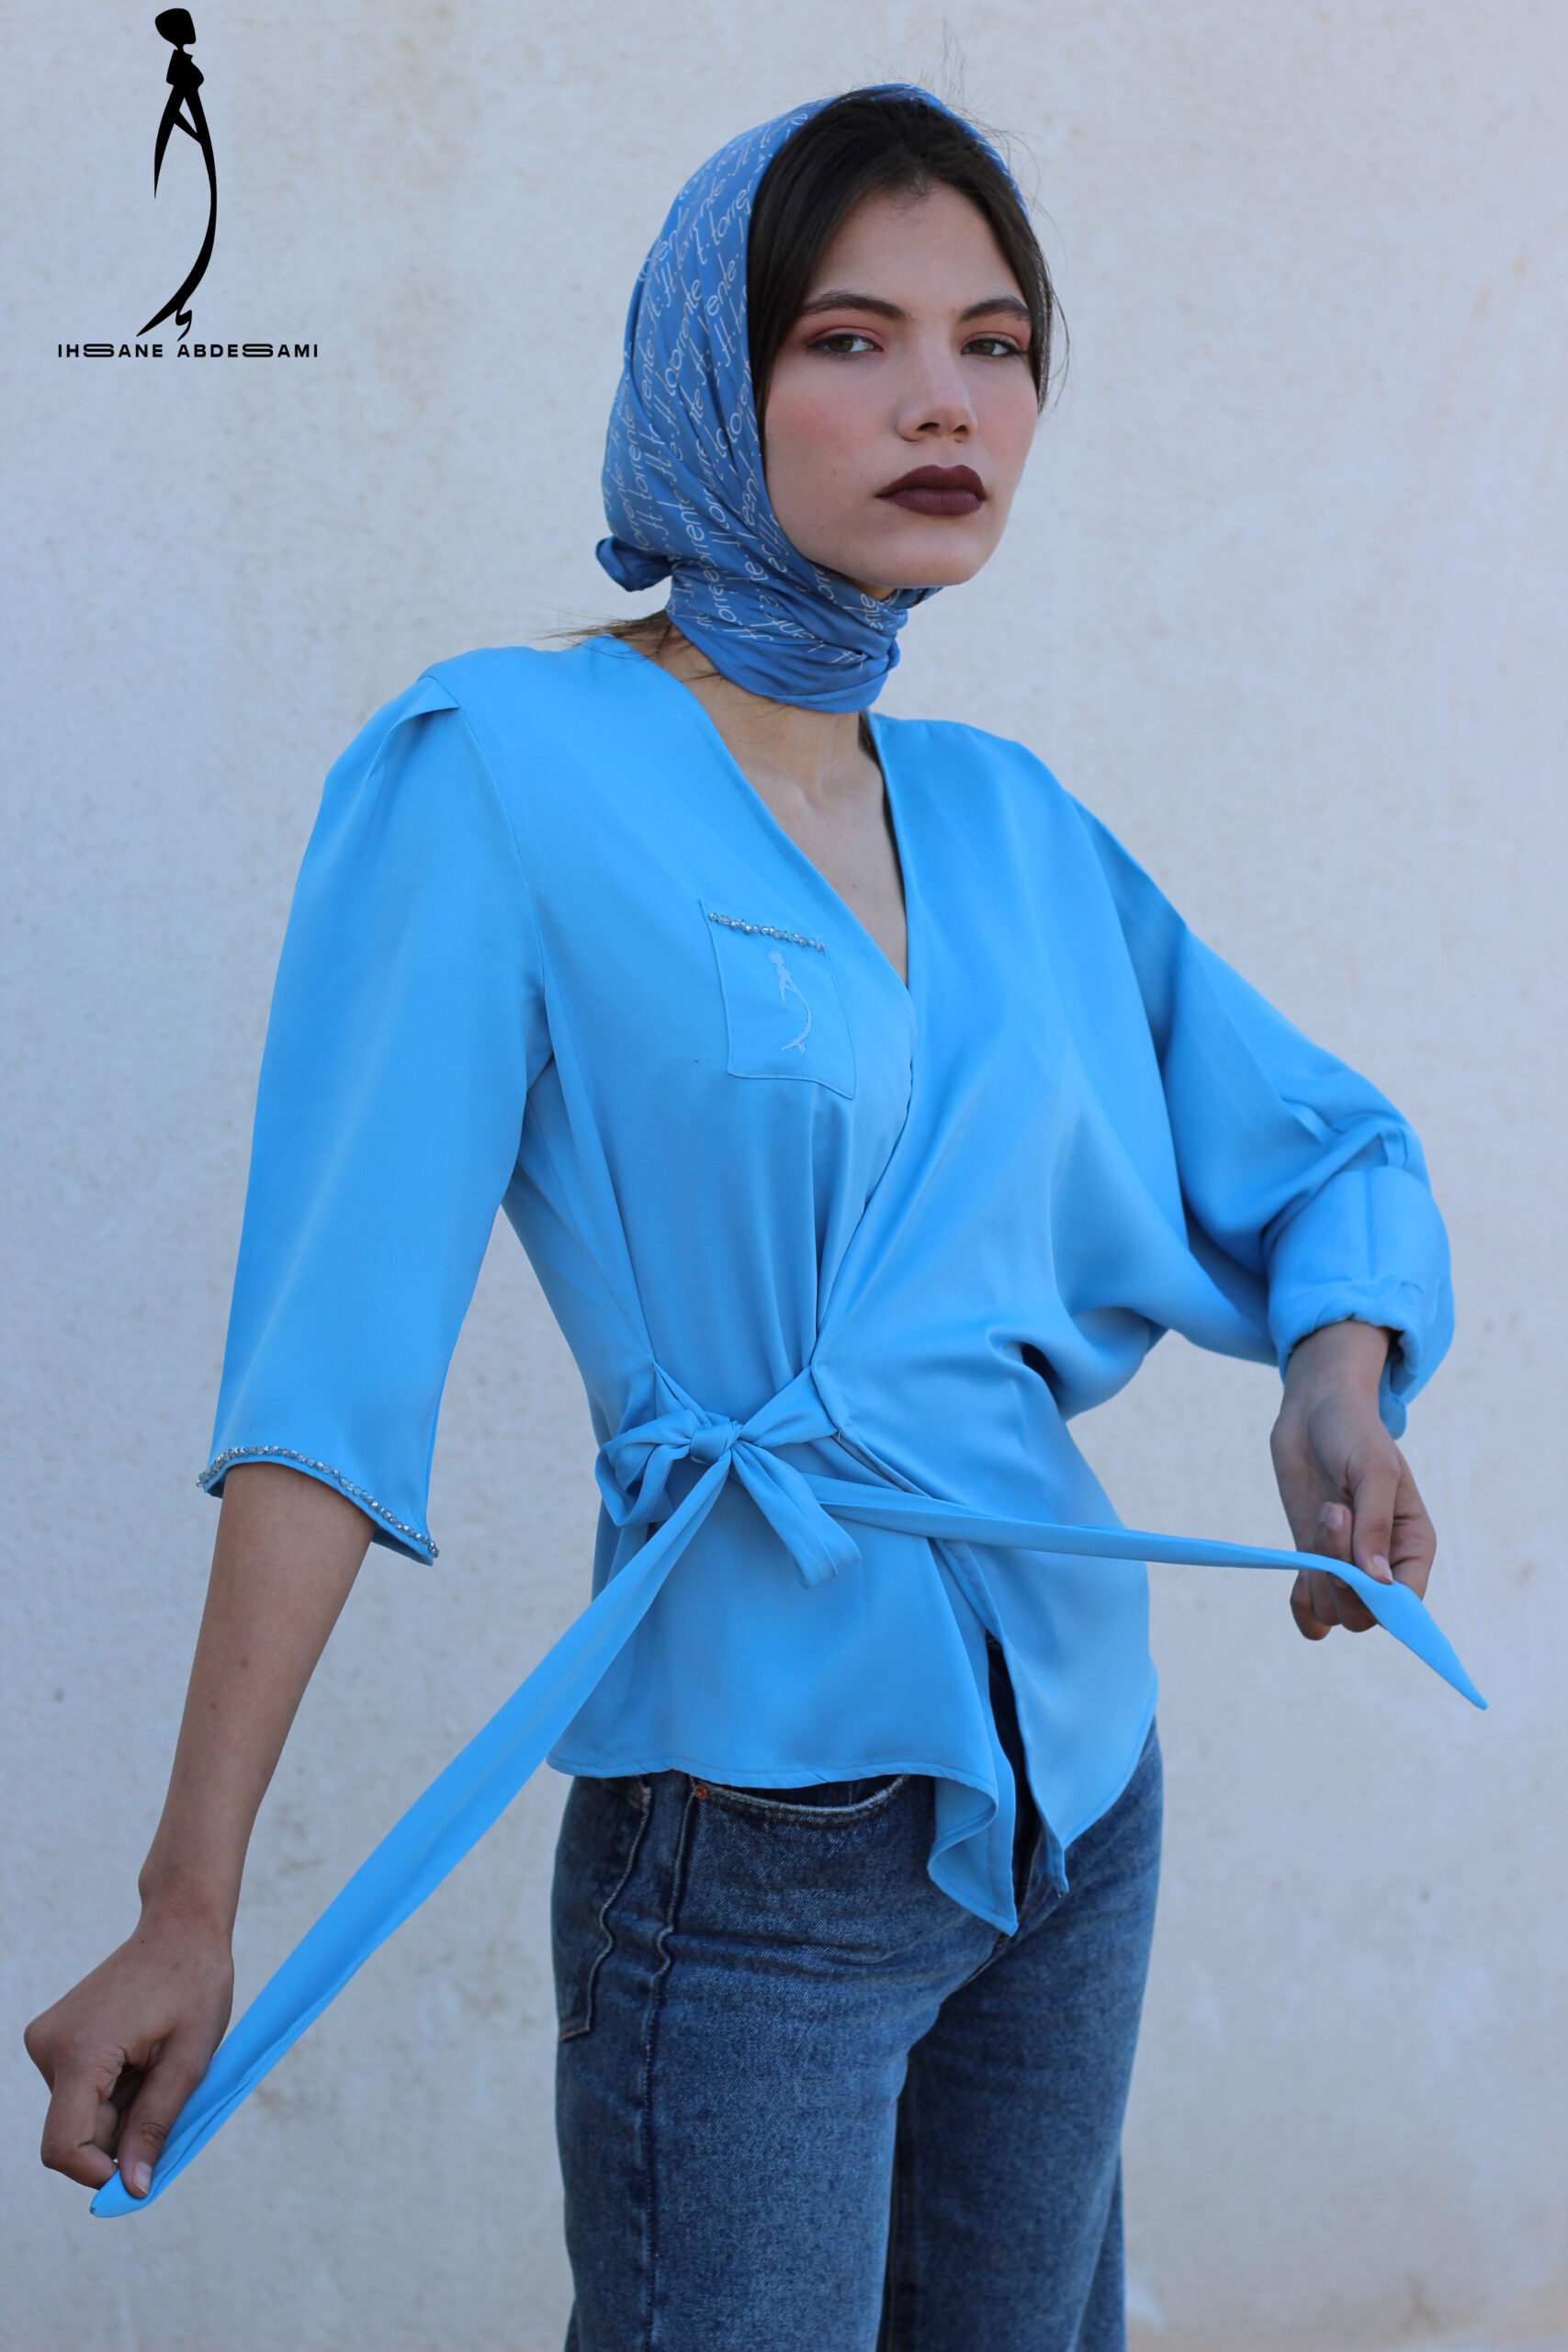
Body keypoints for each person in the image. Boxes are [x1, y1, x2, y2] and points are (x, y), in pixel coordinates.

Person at [26, 85, 1454, 2351]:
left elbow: (1318, 1153)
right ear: (714, 369)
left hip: (1077, 1782)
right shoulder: (499, 768)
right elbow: (330, 1363)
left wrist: (1326, 1393)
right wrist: (188, 1894)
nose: (940, 403)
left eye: (992, 346)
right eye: (849, 338)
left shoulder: (1010, 821)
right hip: (752, 1828)